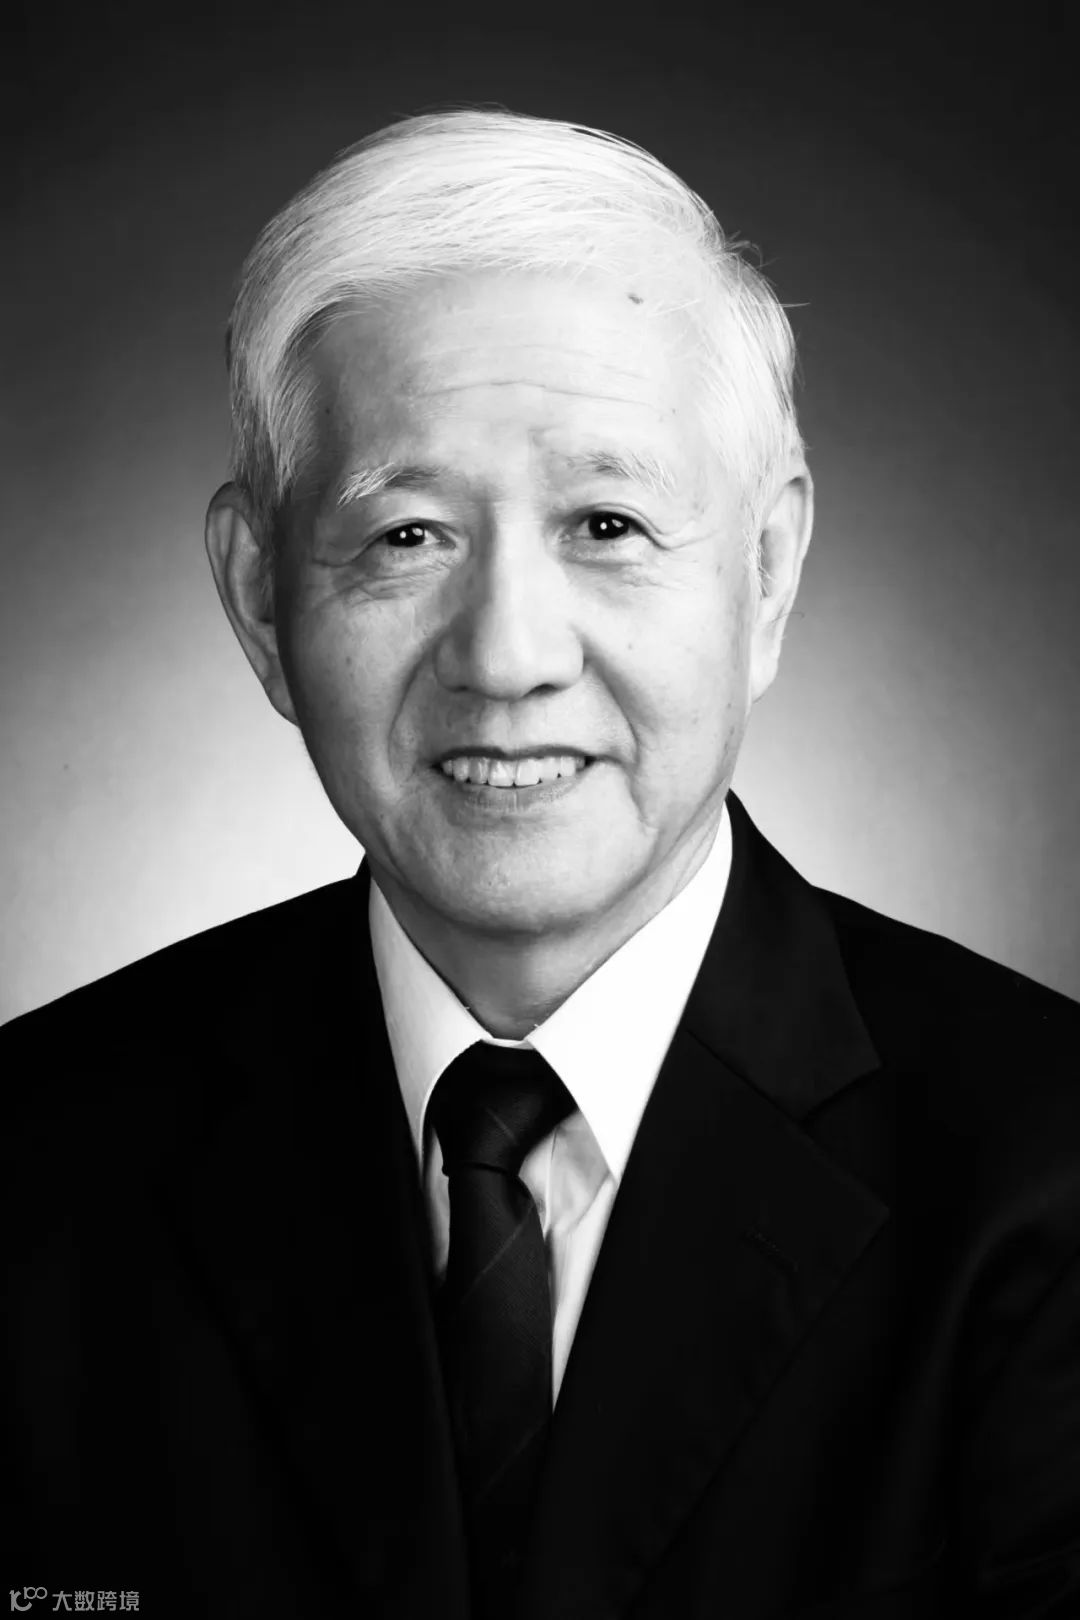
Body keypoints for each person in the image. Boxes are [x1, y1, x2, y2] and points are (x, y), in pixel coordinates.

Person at [3, 108, 1079, 1620]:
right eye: (407, 537)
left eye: (607, 522)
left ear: (767, 572)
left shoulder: (1046, 1173)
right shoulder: (35, 1167)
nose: (507, 656)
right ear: (259, 600)